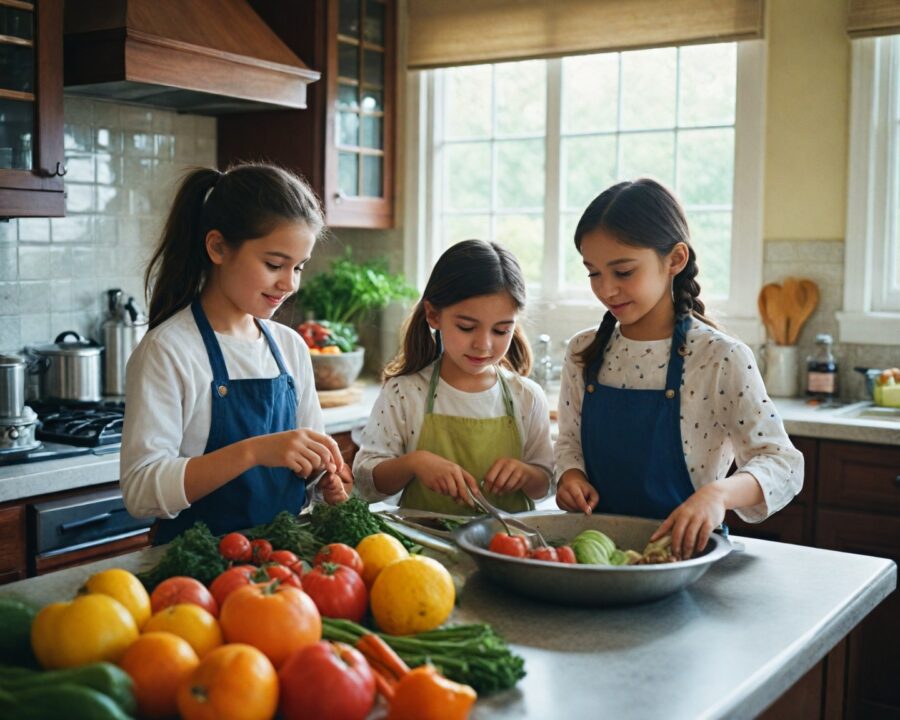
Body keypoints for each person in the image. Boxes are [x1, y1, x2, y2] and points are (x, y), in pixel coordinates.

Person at [554, 179, 803, 559]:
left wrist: (718, 495)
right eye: (593, 272)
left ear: (675, 260)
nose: (606, 290)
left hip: (688, 561)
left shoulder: (719, 358)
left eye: (622, 272)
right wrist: (570, 475)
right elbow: (568, 442)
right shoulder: (583, 351)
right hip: (597, 556)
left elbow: (783, 463)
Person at [121, 163, 351, 544]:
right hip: (196, 575)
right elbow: (141, 492)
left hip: (281, 565)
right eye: (274, 264)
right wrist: (253, 452)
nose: (290, 283)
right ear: (217, 247)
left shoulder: (290, 347)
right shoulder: (169, 350)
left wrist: (323, 478)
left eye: (299, 267)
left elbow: (304, 462)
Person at [353, 240, 554, 513]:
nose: (483, 344)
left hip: (505, 548)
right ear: (433, 315)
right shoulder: (405, 392)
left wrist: (527, 474)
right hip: (424, 549)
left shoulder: (527, 396)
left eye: (500, 331)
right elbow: (366, 482)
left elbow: (546, 484)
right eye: (467, 327)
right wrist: (415, 462)